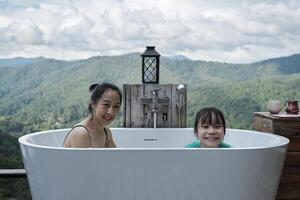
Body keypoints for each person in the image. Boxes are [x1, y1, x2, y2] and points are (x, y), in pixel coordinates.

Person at [63, 82, 122, 148]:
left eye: (116, 106)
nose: (111, 112)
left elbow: (115, 157)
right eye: (106, 105)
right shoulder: (81, 134)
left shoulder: (106, 132)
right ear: (93, 104)